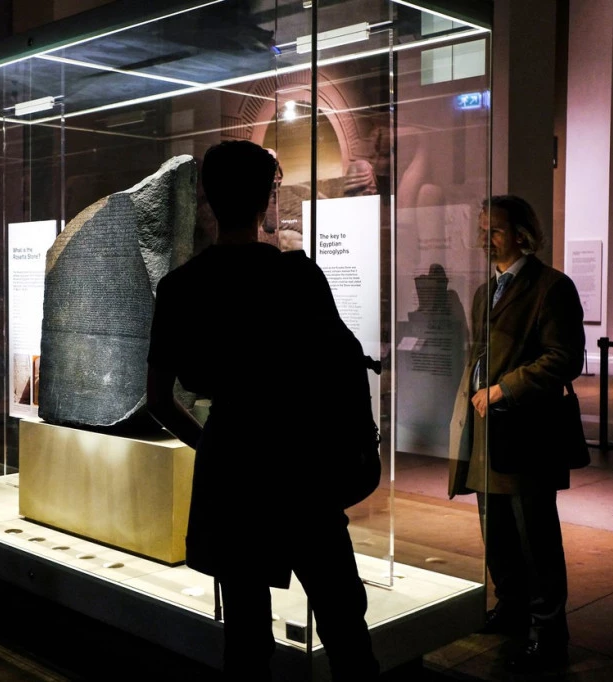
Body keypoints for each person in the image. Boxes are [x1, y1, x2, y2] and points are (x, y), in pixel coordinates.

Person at [146, 140, 378, 681]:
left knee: (246, 639)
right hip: (303, 466)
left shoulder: (180, 288)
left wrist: (214, 442)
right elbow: (342, 369)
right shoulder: (298, 277)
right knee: (344, 624)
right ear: (266, 199)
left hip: (233, 468)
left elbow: (159, 399)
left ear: (208, 199)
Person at [448, 195, 584, 673]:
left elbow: (564, 358)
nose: (485, 237)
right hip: (488, 432)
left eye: (496, 229)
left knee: (535, 538)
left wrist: (504, 389)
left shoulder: (552, 287)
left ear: (522, 234)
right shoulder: (485, 291)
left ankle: (548, 632)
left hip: (527, 435)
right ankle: (511, 608)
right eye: (482, 228)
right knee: (498, 532)